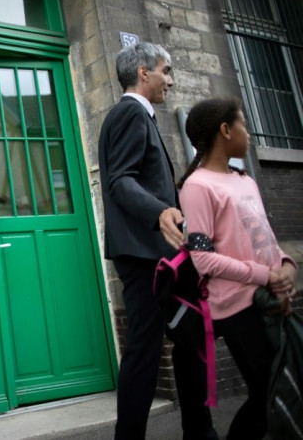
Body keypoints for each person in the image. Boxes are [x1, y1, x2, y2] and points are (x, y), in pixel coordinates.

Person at [98, 42, 216, 439]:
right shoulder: (131, 113)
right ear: (143, 72)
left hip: (158, 253)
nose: (171, 79)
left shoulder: (136, 116)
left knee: (190, 335)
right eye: (166, 70)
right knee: (145, 352)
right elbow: (120, 182)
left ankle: (199, 430)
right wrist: (160, 211)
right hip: (146, 255)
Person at [178, 97, 298, 439]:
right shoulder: (197, 187)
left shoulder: (245, 180)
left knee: (277, 388)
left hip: (270, 298)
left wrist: (286, 267)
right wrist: (264, 275)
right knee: (265, 392)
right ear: (226, 129)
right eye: (243, 123)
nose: (249, 132)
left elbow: (264, 236)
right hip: (235, 307)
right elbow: (202, 259)